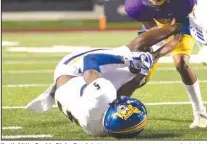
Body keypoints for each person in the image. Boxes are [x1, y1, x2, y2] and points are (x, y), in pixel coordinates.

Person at [26, 23, 186, 136]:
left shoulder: (101, 95)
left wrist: (126, 59)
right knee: (137, 74)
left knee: (132, 52)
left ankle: (177, 26)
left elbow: (91, 59)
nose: (124, 101)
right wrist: (147, 67)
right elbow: (124, 94)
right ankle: (158, 48)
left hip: (71, 70)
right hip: (72, 96)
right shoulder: (102, 129)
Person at [125, 0, 207, 129]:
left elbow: (174, 39)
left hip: (180, 25)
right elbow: (153, 29)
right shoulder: (134, 4)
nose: (153, 0)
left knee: (181, 62)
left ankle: (200, 112)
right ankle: (117, 106)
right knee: (138, 74)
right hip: (157, 26)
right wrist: (153, 52)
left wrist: (157, 54)